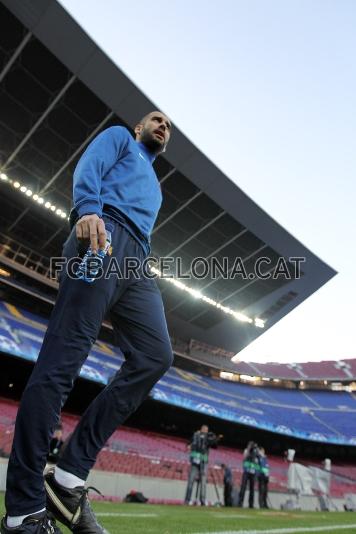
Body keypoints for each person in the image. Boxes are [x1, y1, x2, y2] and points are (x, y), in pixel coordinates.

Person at [1, 111, 173, 534]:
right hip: (102, 234)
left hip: (138, 261)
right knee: (61, 366)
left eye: (168, 125)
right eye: (155, 119)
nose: (163, 125)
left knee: (156, 356)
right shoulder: (119, 138)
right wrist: (88, 209)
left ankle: (68, 476)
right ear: (139, 127)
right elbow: (89, 166)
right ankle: (23, 510)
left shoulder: (155, 186)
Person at [184, 425, 219, 506]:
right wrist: (189, 446)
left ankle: (202, 500)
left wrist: (214, 438)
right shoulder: (195, 435)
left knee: (203, 482)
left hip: (204, 462)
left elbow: (215, 445)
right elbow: (188, 443)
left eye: (206, 430)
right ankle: (187, 500)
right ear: (201, 429)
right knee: (191, 481)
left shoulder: (208, 438)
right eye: (204, 429)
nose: (205, 431)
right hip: (195, 462)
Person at [238, 441, 259, 508]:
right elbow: (244, 458)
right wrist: (249, 449)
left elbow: (257, 461)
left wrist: (256, 450)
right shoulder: (246, 450)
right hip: (246, 471)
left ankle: (251, 504)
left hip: (252, 472)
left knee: (252, 488)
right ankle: (240, 503)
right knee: (243, 487)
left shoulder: (255, 452)